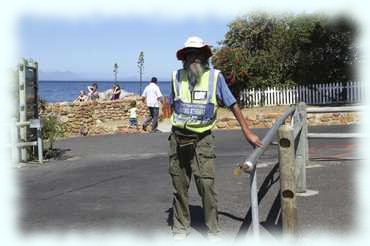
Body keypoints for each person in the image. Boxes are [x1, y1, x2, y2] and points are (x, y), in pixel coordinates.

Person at [168, 36, 263, 241]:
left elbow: (232, 104)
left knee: (206, 186)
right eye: (190, 55)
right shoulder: (176, 77)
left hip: (203, 140)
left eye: (198, 55)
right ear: (184, 58)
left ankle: (213, 230)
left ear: (204, 58)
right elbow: (172, 103)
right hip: (178, 139)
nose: (194, 59)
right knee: (179, 186)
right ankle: (180, 227)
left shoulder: (215, 77)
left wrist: (247, 131)